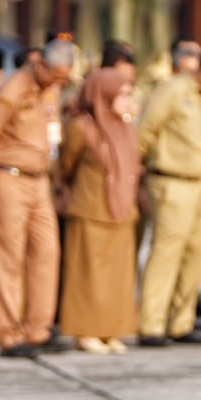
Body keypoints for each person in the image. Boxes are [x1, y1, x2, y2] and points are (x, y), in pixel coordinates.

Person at [135, 43, 201, 346]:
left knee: (197, 256)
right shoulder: (172, 90)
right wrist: (138, 178)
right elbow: (146, 133)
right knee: (166, 254)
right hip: (172, 181)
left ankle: (181, 322)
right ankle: (151, 324)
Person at [0, 40, 76, 357]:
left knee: (47, 252)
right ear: (40, 65)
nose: (59, 83)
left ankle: (38, 328)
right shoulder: (13, 89)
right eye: (56, 76)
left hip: (39, 180)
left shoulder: (51, 89)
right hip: (8, 176)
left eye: (64, 78)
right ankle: (9, 334)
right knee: (8, 257)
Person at [58, 67, 141, 354]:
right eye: (122, 94)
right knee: (88, 274)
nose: (127, 100)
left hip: (120, 209)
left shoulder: (125, 125)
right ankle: (85, 331)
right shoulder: (82, 126)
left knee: (117, 274)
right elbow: (66, 165)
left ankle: (110, 329)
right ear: (103, 95)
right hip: (90, 207)